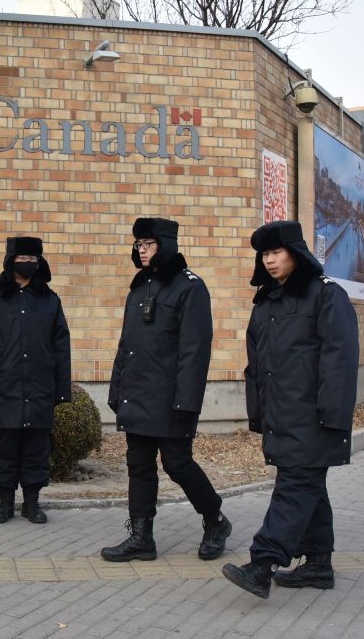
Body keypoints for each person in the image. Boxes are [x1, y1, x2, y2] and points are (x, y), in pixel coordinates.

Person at [222, 220, 359, 599]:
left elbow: (340, 358)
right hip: (281, 414)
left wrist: (331, 415)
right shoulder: (267, 300)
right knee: (308, 486)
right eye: (264, 254)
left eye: (276, 252)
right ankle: (317, 564)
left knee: (295, 487)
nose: (269, 261)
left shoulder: (326, 295)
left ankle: (262, 564)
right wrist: (259, 410)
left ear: (296, 252)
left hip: (314, 415)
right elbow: (257, 360)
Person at [101, 217, 230, 563]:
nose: (140, 251)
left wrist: (187, 402)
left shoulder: (190, 287)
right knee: (138, 465)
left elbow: (195, 350)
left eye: (148, 244)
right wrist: (116, 389)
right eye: (137, 245)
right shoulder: (138, 287)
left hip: (171, 399)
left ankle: (215, 521)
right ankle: (142, 538)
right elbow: (126, 344)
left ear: (166, 244)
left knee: (178, 464)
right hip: (136, 394)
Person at [0, 237, 71, 524]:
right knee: (4, 449)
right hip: (3, 389)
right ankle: (4, 503)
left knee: (36, 450)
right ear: (10, 260)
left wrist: (61, 390)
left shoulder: (50, 301)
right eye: (22, 258)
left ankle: (32, 503)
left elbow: (61, 347)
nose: (27, 264)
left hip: (39, 388)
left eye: (33, 259)